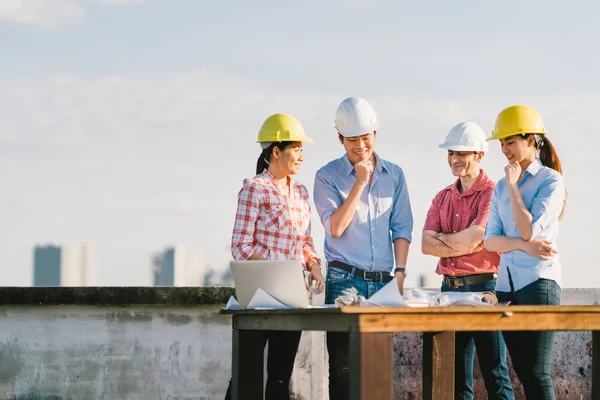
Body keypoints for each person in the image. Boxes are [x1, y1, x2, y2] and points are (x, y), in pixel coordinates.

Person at [313, 97, 413, 399]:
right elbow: (336, 227)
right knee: (343, 372)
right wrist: (360, 182)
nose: (360, 146)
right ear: (340, 139)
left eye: (365, 138)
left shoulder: (395, 175)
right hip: (344, 282)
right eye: (352, 140)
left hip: (383, 283)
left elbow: (403, 227)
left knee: (378, 370)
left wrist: (401, 272)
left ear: (375, 134)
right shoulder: (326, 176)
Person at [225, 113, 324, 400]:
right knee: (246, 374)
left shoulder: (302, 192)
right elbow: (240, 246)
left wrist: (314, 265)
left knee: (281, 377)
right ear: (276, 152)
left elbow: (305, 241)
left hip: (293, 296)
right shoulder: (254, 188)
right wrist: (276, 271)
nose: (302, 156)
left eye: (303, 150)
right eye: (297, 149)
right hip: (259, 296)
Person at [422, 121, 515, 400]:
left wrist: (444, 238)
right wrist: (460, 241)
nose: (455, 159)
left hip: (484, 289)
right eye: (452, 153)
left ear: (479, 156)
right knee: (455, 378)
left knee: (495, 374)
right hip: (449, 290)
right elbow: (426, 245)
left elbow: (476, 238)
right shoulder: (442, 197)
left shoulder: (493, 193)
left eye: (462, 153)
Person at [484, 105, 566, 400]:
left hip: (538, 284)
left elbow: (530, 230)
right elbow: (490, 240)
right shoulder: (500, 188)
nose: (505, 149)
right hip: (506, 287)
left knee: (537, 373)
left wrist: (514, 186)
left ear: (531, 140)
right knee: (521, 370)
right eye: (502, 143)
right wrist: (520, 245)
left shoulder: (550, 181)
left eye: (511, 141)